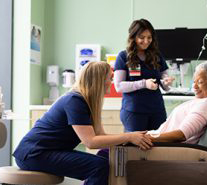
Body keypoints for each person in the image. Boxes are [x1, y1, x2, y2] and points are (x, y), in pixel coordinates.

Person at [13, 62, 153, 185]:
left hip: (49, 150)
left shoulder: (86, 102)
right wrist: (128, 137)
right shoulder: (75, 100)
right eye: (109, 78)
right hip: (34, 154)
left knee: (104, 154)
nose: (112, 82)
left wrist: (131, 139)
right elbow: (91, 142)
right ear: (98, 80)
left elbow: (100, 135)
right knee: (99, 166)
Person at [114, 19, 174, 132]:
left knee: (158, 145)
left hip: (157, 110)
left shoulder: (157, 56)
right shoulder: (123, 56)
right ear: (133, 37)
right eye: (142, 37)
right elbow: (119, 86)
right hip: (134, 112)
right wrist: (144, 83)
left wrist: (167, 83)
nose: (146, 41)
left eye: (149, 37)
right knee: (136, 148)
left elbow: (165, 83)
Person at [146, 61, 207, 144]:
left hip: (160, 145)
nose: (194, 86)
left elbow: (181, 135)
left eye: (200, 82)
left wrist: (146, 138)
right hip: (156, 138)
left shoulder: (206, 105)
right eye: (194, 81)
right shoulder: (202, 101)